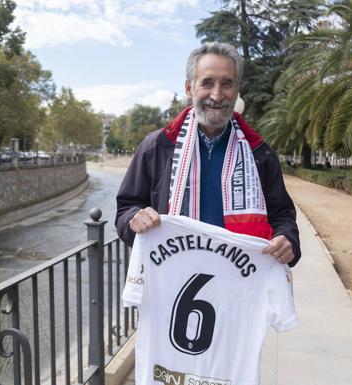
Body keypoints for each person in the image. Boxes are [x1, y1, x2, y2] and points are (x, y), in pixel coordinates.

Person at [115, 42, 300, 267]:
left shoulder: (259, 153)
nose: (217, 94)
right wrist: (134, 218)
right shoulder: (157, 147)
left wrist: (287, 239)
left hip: (241, 285)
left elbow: (282, 216)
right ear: (189, 88)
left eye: (227, 84)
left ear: (237, 90)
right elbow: (125, 210)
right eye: (207, 83)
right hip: (173, 282)